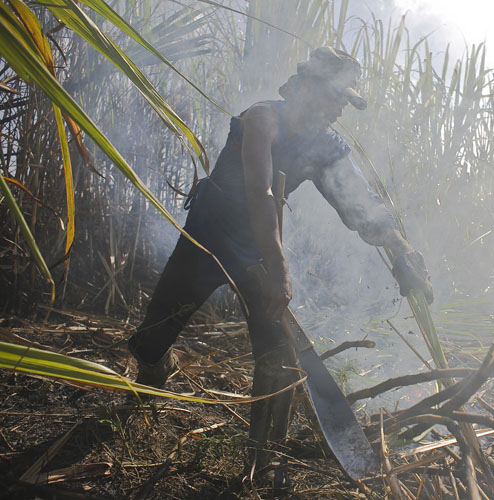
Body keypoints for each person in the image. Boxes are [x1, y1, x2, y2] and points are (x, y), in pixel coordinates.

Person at [127, 46, 433, 481]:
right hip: (208, 238)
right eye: (333, 98)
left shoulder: (324, 145)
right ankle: (150, 379)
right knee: (156, 332)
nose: (337, 111)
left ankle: (263, 458)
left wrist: (402, 250)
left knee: (276, 353)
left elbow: (361, 205)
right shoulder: (262, 118)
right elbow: (261, 191)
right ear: (306, 88)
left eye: (345, 103)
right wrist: (280, 266)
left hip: (254, 252)